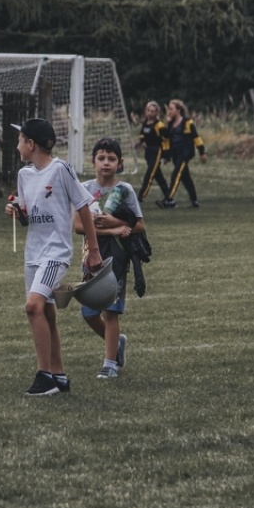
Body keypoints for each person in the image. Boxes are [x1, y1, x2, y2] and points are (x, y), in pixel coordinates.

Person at [5, 117, 102, 397]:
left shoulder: (61, 169)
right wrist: (14, 209)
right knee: (46, 313)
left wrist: (93, 250)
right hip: (32, 255)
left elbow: (83, 206)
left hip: (56, 253)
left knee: (32, 307)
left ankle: (44, 376)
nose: (17, 145)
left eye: (20, 139)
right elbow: (26, 213)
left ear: (31, 144)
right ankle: (59, 376)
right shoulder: (24, 175)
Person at [77, 137, 145, 379]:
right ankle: (116, 343)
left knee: (111, 311)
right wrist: (111, 230)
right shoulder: (83, 189)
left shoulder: (124, 190)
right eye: (101, 158)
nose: (106, 163)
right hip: (91, 255)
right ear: (93, 161)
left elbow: (138, 225)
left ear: (120, 163)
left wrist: (115, 223)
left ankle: (109, 363)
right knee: (89, 313)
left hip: (117, 256)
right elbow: (77, 226)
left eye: (111, 159)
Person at [163, 98, 206, 208]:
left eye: (171, 109)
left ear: (178, 110)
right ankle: (194, 201)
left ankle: (168, 199)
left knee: (176, 174)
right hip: (175, 154)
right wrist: (166, 156)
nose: (169, 111)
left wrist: (202, 152)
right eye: (169, 109)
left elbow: (196, 138)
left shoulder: (187, 122)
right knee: (185, 178)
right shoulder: (170, 123)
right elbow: (166, 139)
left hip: (185, 153)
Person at [136, 100, 173, 205]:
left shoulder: (159, 125)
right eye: (148, 110)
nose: (149, 113)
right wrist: (142, 142)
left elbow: (166, 140)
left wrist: (166, 156)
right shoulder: (145, 123)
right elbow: (142, 135)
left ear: (156, 113)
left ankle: (140, 197)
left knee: (150, 174)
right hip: (148, 152)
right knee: (158, 176)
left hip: (157, 151)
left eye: (152, 111)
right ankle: (169, 197)